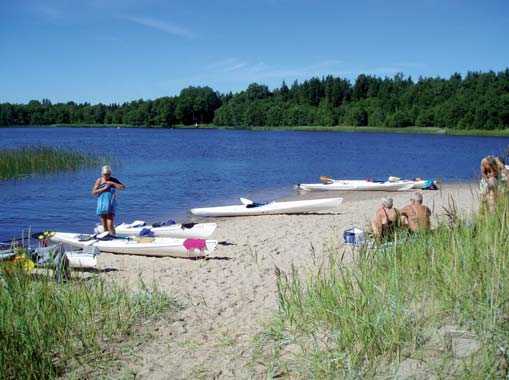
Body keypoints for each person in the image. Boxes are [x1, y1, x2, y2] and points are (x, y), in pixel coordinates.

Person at [92, 165, 125, 234]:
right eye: (105, 175)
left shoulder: (113, 180)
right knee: (104, 224)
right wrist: (104, 188)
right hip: (102, 203)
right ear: (102, 174)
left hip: (111, 203)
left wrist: (112, 183)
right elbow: (93, 192)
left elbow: (123, 188)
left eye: (108, 174)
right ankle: (106, 237)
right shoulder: (99, 180)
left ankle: (114, 237)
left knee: (110, 224)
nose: (107, 176)